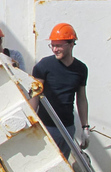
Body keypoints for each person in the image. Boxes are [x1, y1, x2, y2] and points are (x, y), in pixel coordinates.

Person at [30, 23, 89, 158]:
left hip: (67, 127)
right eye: (52, 45)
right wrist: (31, 121)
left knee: (64, 166)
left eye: (59, 45)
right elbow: (35, 95)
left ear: (71, 44)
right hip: (46, 126)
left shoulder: (81, 69)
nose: (55, 49)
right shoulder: (44, 66)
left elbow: (81, 98)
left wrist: (85, 127)